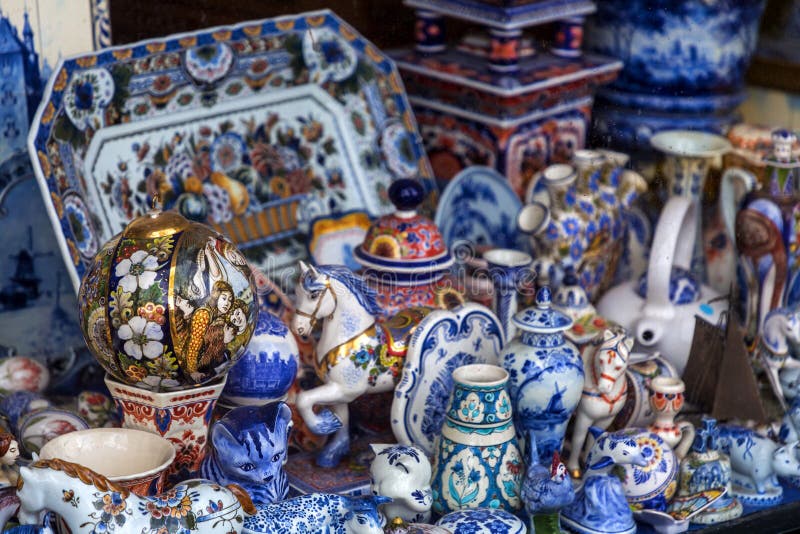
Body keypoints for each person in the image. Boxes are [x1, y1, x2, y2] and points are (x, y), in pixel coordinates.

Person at [183, 280, 234, 381]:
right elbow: (194, 344)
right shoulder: (204, 314)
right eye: (224, 298)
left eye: (230, 300)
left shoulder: (220, 317)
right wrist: (192, 371)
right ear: (216, 297)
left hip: (208, 366)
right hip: (194, 365)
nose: (227, 303)